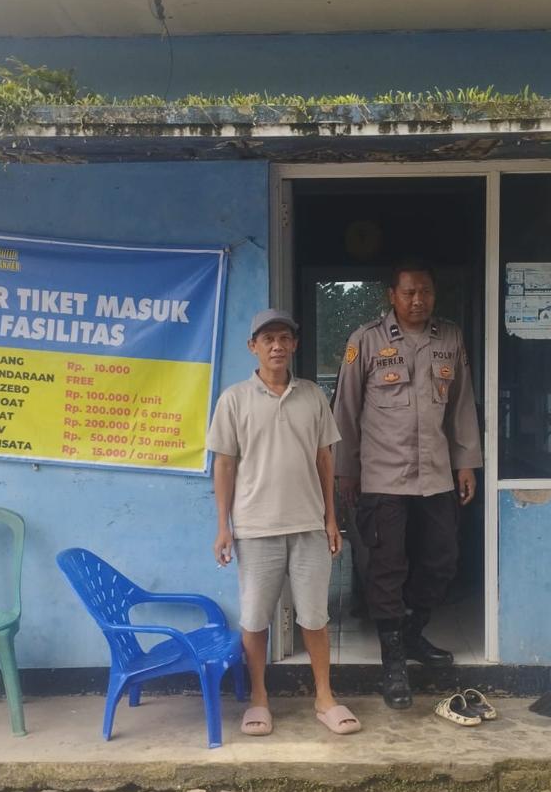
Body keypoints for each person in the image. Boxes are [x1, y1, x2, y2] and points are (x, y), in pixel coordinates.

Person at [332, 260, 482, 709]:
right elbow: (345, 409)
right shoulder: (366, 340)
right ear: (391, 296)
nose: (418, 300)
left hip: (435, 474)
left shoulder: (449, 338)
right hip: (383, 476)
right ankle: (393, 661)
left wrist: (466, 463)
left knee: (442, 560)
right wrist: (346, 470)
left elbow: (461, 405)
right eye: (409, 292)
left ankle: (413, 633)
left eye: (426, 292)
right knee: (386, 567)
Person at [207, 308, 362, 737]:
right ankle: (259, 698)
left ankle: (324, 697)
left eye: (284, 338)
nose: (276, 346)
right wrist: (223, 526)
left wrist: (331, 518)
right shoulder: (234, 399)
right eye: (267, 339)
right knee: (255, 619)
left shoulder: (312, 396)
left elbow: (325, 458)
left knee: (315, 617)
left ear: (293, 345)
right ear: (253, 346)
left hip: (309, 526)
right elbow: (224, 465)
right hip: (255, 528)